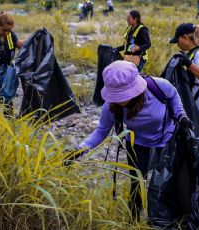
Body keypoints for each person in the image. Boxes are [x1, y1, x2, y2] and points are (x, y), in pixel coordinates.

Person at [78, 60, 192, 221]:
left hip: (166, 138)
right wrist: (79, 150)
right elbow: (100, 132)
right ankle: (133, 219)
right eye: (116, 95)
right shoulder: (112, 106)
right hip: (137, 141)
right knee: (137, 184)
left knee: (169, 181)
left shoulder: (159, 87)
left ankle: (172, 218)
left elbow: (174, 97)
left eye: (122, 94)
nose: (119, 99)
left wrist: (181, 116)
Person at [169, 23, 199, 135]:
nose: (177, 44)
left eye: (178, 41)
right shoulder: (192, 53)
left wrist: (188, 63)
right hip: (197, 101)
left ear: (185, 38)